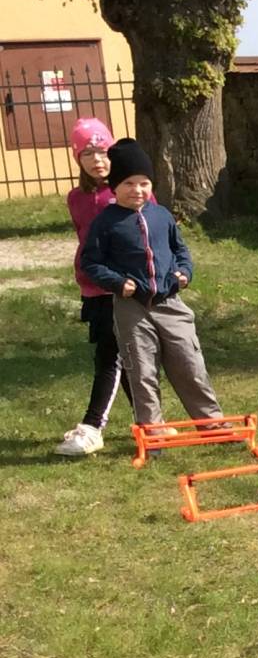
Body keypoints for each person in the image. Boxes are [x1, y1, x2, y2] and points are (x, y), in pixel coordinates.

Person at [79, 138, 224, 432]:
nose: (138, 190)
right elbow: (91, 262)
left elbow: (180, 250)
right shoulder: (106, 223)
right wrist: (117, 283)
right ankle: (153, 431)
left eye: (144, 183)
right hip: (131, 308)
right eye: (129, 183)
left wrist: (184, 272)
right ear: (115, 186)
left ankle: (212, 423)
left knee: (190, 363)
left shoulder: (162, 216)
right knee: (142, 370)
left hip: (169, 303)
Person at [54, 118, 135, 456]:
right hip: (94, 288)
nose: (97, 160)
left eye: (102, 151)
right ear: (78, 158)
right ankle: (149, 420)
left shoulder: (129, 191)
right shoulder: (77, 198)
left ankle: (92, 427)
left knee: (110, 356)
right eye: (87, 153)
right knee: (120, 355)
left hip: (124, 288)